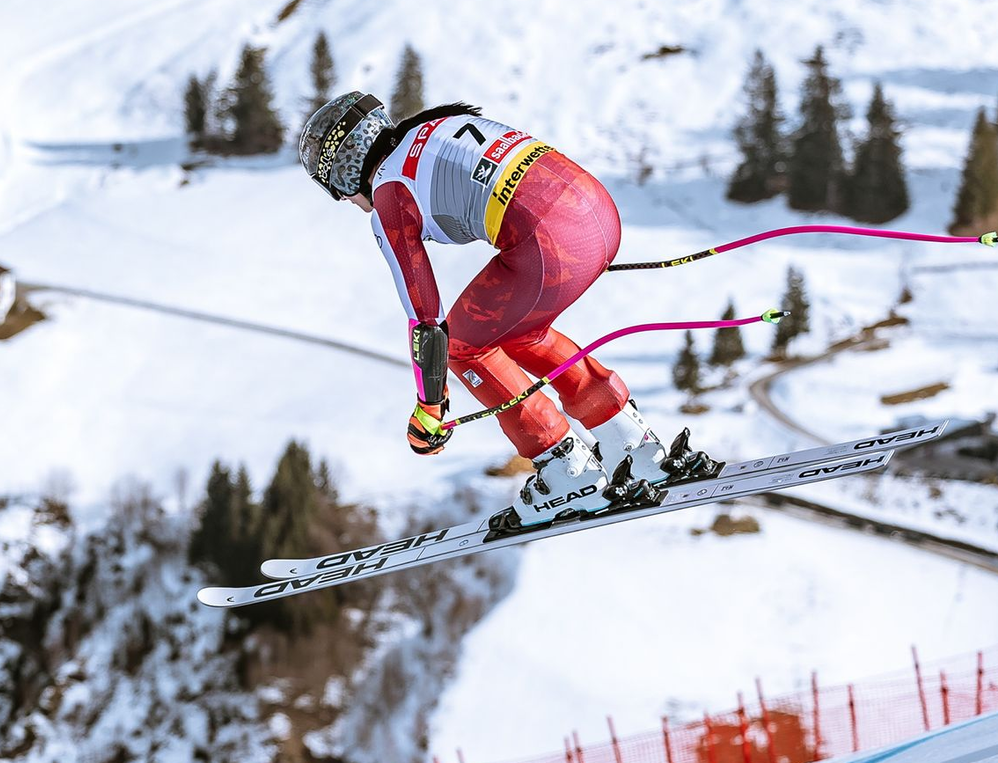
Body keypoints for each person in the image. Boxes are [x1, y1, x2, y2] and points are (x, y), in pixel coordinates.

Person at [298, 91, 715, 532]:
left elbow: (427, 320)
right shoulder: (430, 128)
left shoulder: (389, 193)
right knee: (517, 330)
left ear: (343, 172)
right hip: (599, 213)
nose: (346, 201)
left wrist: (430, 406)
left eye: (336, 191)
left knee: (461, 345)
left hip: (551, 243)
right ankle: (628, 440)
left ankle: (567, 471)